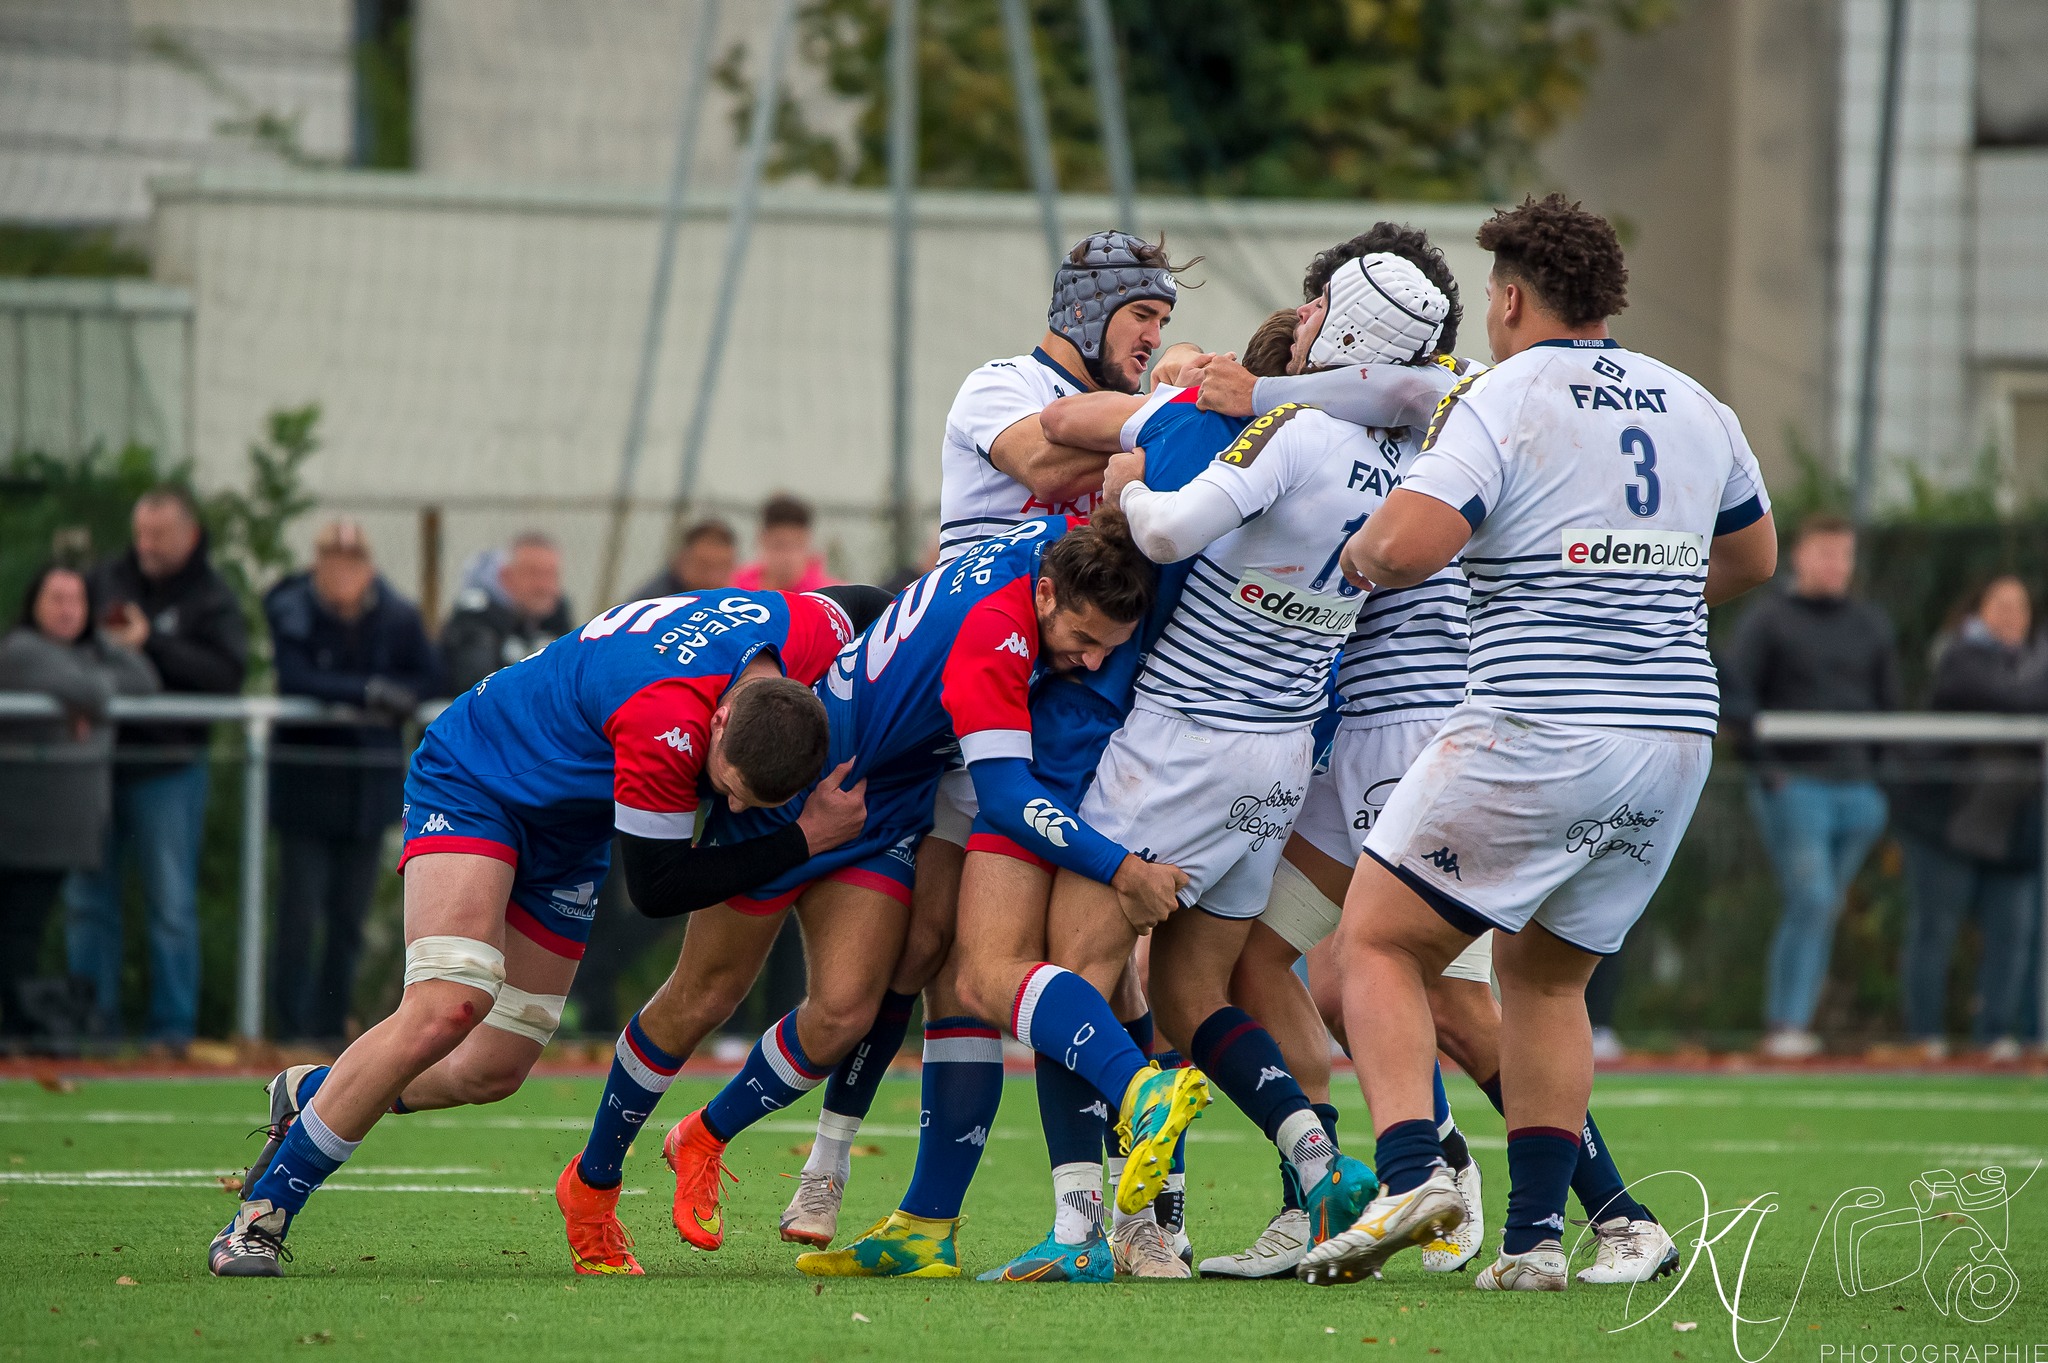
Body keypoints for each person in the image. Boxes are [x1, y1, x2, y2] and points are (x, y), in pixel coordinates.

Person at [1301, 195, 1777, 1291]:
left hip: (1539, 723)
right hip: (1669, 734)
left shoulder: (1502, 392)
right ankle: (1531, 1245)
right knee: (1545, 982)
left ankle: (1410, 1172)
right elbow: (1750, 558)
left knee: (1372, 944)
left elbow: (1407, 545)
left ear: (1508, 298)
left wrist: (1368, 552)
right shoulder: (1695, 400)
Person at [555, 515, 1193, 1280]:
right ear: (1049, 593)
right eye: (1082, 640)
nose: (1088, 661)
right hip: (798, 791)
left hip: (888, 800)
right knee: (705, 991)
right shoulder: (997, 633)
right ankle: (593, 1182)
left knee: (873, 991)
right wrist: (1122, 867)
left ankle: (744, 1146)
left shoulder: (1063, 548)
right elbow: (1006, 790)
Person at [207, 582, 886, 1276]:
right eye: (731, 785)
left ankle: (317, 1092)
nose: (733, 804)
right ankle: (260, 1214)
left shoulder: (804, 631)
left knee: (493, 1069)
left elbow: (876, 602)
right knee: (450, 1003)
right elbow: (659, 889)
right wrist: (803, 837)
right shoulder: (663, 719)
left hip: (569, 826)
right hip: (479, 778)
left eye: (752, 801)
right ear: (717, 724)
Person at [771, 230, 1182, 1265]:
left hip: (1067, 707)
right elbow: (1043, 452)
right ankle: (878, 1183)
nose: (1153, 338)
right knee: (938, 961)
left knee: (1048, 970)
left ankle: (1119, 1222)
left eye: (1165, 326)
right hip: (967, 702)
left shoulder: (1115, 436)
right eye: (1143, 317)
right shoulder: (997, 383)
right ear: (1088, 311)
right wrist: (1161, 418)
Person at [68, 486, 248, 1050]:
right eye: (141, 533)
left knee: (170, 905)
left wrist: (152, 646)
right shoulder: (104, 580)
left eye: (160, 535)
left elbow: (225, 675)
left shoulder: (214, 597)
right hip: (97, 766)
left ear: (190, 534)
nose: (146, 545)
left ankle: (171, 1034)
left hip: (169, 768)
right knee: (87, 902)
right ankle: (89, 1026)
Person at [1720, 513, 1899, 1059]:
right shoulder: (1769, 620)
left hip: (1858, 791)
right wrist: (1769, 770)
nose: (1834, 565)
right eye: (1824, 553)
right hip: (1795, 786)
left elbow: (1888, 702)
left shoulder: (1870, 624)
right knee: (1814, 899)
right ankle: (1786, 1023)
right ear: (1798, 556)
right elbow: (1736, 692)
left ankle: (1793, 1022)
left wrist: (1878, 779)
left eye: (1843, 554)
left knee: (1824, 906)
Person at [264, 520, 441, 1046]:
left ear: (369, 567)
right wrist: (368, 691)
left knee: (348, 920)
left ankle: (329, 1027)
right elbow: (295, 677)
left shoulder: (398, 616)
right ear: (317, 563)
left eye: (353, 561)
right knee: (298, 915)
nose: (343, 572)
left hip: (367, 792)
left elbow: (432, 679)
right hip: (307, 787)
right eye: (332, 560)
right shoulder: (292, 608)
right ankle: (288, 1028)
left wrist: (393, 693)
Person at [570, 516, 744, 1039]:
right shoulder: (650, 606)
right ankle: (588, 1002)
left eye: (722, 565)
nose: (712, 574)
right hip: (627, 773)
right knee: (624, 889)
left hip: (684, 774)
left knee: (664, 897)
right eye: (703, 564)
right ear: (680, 562)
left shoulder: (734, 612)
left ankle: (591, 994)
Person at [0, 565, 159, 1040]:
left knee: (24, 933)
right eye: (56, 599)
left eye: (77, 600)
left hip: (58, 830)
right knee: (16, 933)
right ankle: (17, 1029)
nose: (68, 610)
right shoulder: (21, 650)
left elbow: (144, 681)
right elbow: (96, 690)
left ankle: (21, 1030)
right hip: (19, 824)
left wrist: (98, 662)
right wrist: (87, 691)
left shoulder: (89, 653)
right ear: (34, 604)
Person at [1895, 575, 2047, 1061]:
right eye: (2000, 605)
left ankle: (1995, 1037)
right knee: (1935, 930)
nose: (2011, 616)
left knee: (2013, 935)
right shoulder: (1959, 656)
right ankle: (1924, 1036)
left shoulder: (2031, 664)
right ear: (1977, 611)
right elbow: (2011, 702)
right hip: (1946, 823)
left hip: (2012, 829)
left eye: (2020, 607)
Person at [441, 532, 573, 692]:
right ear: (506, 576)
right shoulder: (477, 616)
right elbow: (479, 685)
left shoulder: (554, 612)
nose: (544, 586)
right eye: (534, 574)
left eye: (552, 575)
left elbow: (570, 674)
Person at [732, 495, 837, 593]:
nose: (787, 556)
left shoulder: (827, 597)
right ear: (762, 539)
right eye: (779, 545)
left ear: (808, 541)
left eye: (796, 545)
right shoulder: (736, 589)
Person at [634, 519, 738, 601]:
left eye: (722, 569)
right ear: (682, 560)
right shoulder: (657, 602)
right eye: (705, 567)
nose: (714, 579)